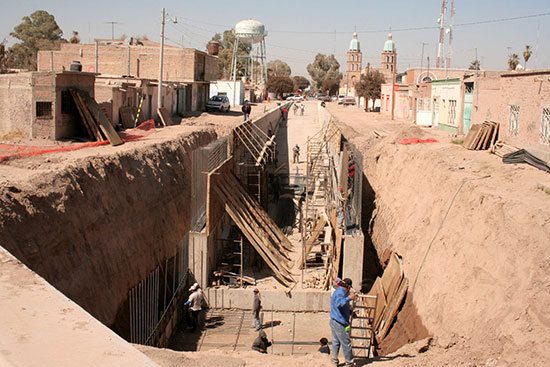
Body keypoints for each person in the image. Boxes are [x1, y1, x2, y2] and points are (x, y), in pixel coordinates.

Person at [330, 278, 356, 367]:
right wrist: (350, 298)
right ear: (348, 287)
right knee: (346, 343)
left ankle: (334, 361)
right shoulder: (341, 293)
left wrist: (349, 312)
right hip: (339, 322)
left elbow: (341, 306)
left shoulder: (339, 291)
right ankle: (349, 363)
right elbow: (339, 304)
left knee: (336, 342)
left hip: (334, 320)